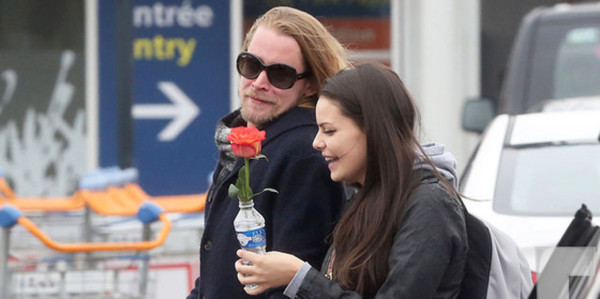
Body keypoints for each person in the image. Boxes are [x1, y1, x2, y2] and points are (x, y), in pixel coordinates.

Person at [234, 63, 469, 298]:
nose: (316, 143)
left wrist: (299, 277)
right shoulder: (363, 199)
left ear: (373, 129)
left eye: (329, 131)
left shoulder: (429, 204)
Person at [186, 6, 349, 299]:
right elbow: (215, 275)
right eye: (251, 65)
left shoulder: (306, 153)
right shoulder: (240, 146)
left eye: (280, 74)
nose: (259, 82)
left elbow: (294, 283)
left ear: (309, 85)